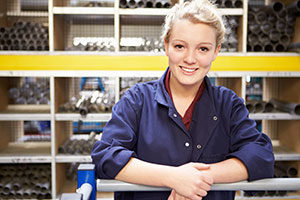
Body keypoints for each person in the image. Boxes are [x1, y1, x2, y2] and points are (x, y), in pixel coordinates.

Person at [91, 0, 275, 199]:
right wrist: (173, 177)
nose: (190, 58)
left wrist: (197, 179)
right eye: (180, 46)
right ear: (166, 45)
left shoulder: (228, 105)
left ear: (216, 51)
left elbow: (260, 155)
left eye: (203, 49)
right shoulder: (136, 100)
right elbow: (105, 156)